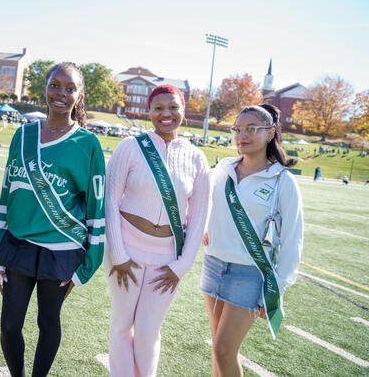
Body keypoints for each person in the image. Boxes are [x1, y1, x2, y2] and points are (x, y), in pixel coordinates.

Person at [0, 62, 105, 377]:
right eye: (56, 85)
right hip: (19, 245)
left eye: (70, 88)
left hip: (61, 249)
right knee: (10, 325)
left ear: (78, 96)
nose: (61, 93)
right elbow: (6, 195)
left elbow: (97, 206)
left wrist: (90, 261)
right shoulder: (23, 135)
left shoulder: (88, 144)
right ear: (45, 88)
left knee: (47, 321)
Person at [104, 84, 211, 376]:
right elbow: (110, 202)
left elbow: (199, 215)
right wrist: (118, 254)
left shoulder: (197, 158)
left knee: (149, 331)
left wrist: (182, 265)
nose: (166, 113)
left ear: (183, 110)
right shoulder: (130, 146)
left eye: (173, 107)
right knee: (122, 326)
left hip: (168, 258)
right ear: (149, 111)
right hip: (126, 249)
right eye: (159, 107)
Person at [201, 104, 304, 376]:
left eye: (251, 129)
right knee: (217, 349)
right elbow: (205, 203)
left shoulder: (282, 180)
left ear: (270, 133)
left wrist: (277, 288)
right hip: (213, 264)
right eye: (237, 129)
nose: (241, 136)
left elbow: (293, 239)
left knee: (225, 349)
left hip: (249, 275)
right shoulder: (223, 168)